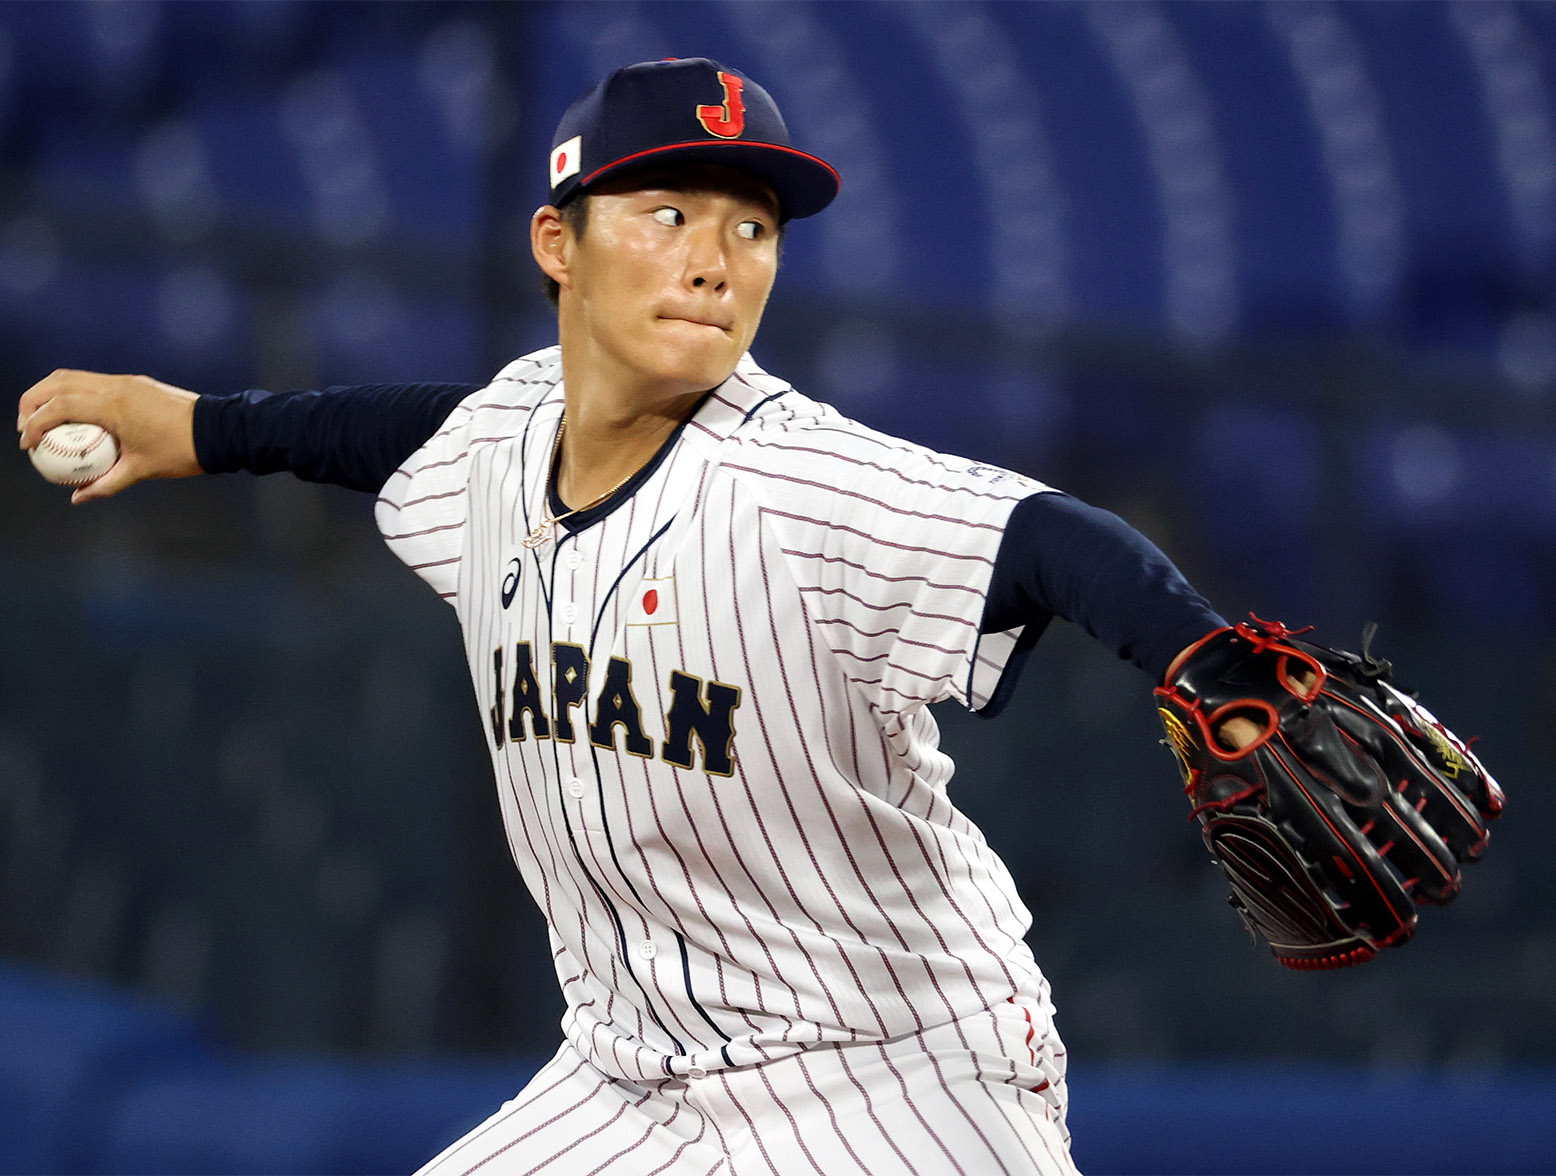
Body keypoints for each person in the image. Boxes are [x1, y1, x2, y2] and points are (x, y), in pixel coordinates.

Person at [19, 59, 1253, 1175]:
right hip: (626, 1078)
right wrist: (202, 428)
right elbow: (388, 432)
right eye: (667, 216)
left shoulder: (806, 487)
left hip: (891, 1073)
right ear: (559, 242)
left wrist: (1204, 658)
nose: (716, 260)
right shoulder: (498, 438)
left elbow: (1048, 538)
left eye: (751, 228)